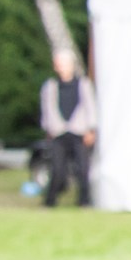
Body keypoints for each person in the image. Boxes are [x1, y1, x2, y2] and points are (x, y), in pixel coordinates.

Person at [38, 49, 96, 207]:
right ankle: (50, 201)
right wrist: (48, 128)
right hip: (58, 132)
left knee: (83, 169)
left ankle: (84, 201)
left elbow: (90, 107)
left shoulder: (83, 85)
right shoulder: (50, 87)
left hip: (79, 131)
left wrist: (91, 129)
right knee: (57, 169)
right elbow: (47, 109)